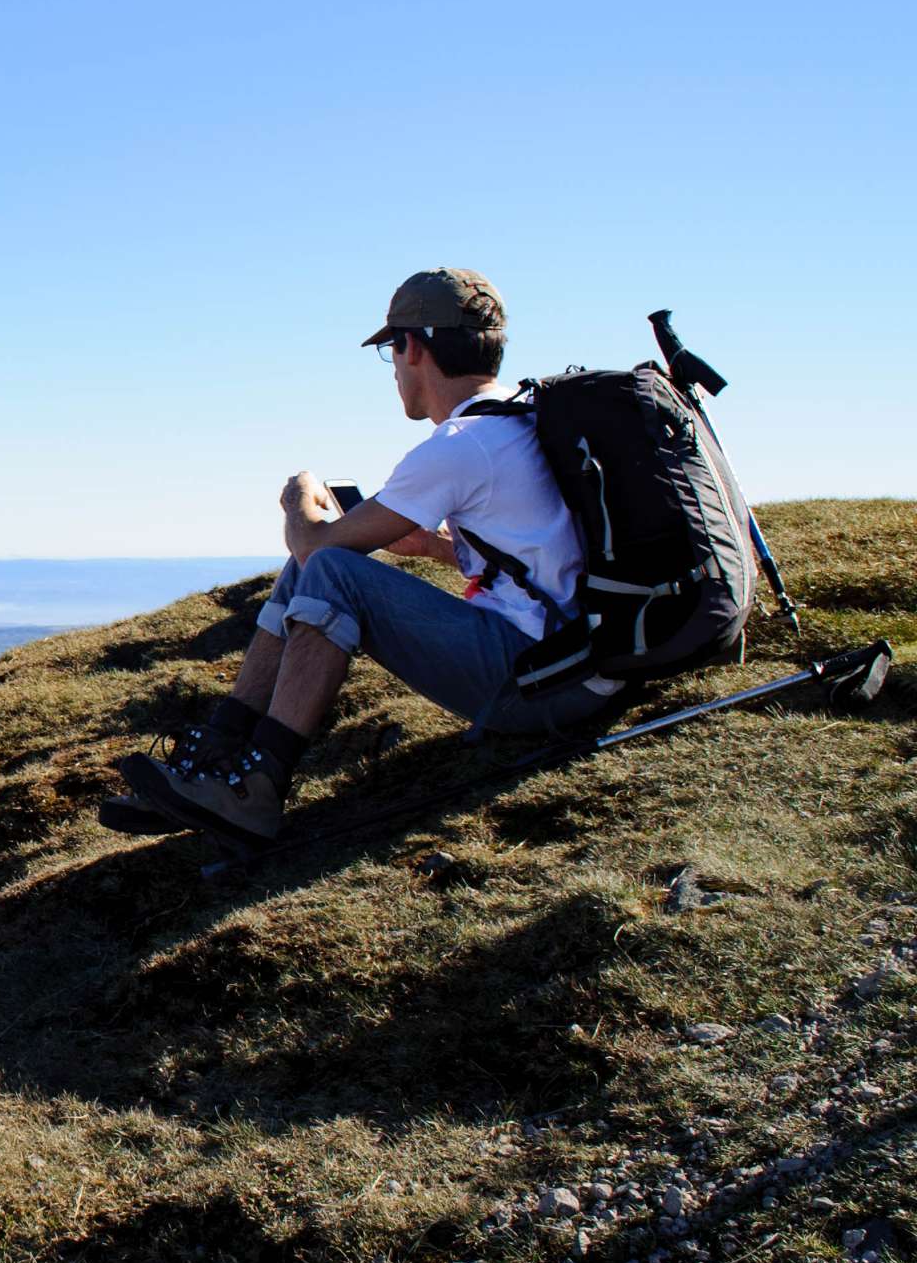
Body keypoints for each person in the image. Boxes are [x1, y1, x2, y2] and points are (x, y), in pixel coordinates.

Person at [119, 268, 615, 846]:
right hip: (583, 664)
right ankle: (213, 763)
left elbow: (314, 547)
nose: (395, 369)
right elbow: (543, 564)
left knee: (325, 565)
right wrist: (430, 546)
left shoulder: (462, 445)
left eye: (391, 351)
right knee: (323, 568)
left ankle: (255, 786)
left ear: (412, 347)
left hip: (541, 684)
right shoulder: (523, 421)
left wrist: (299, 497)